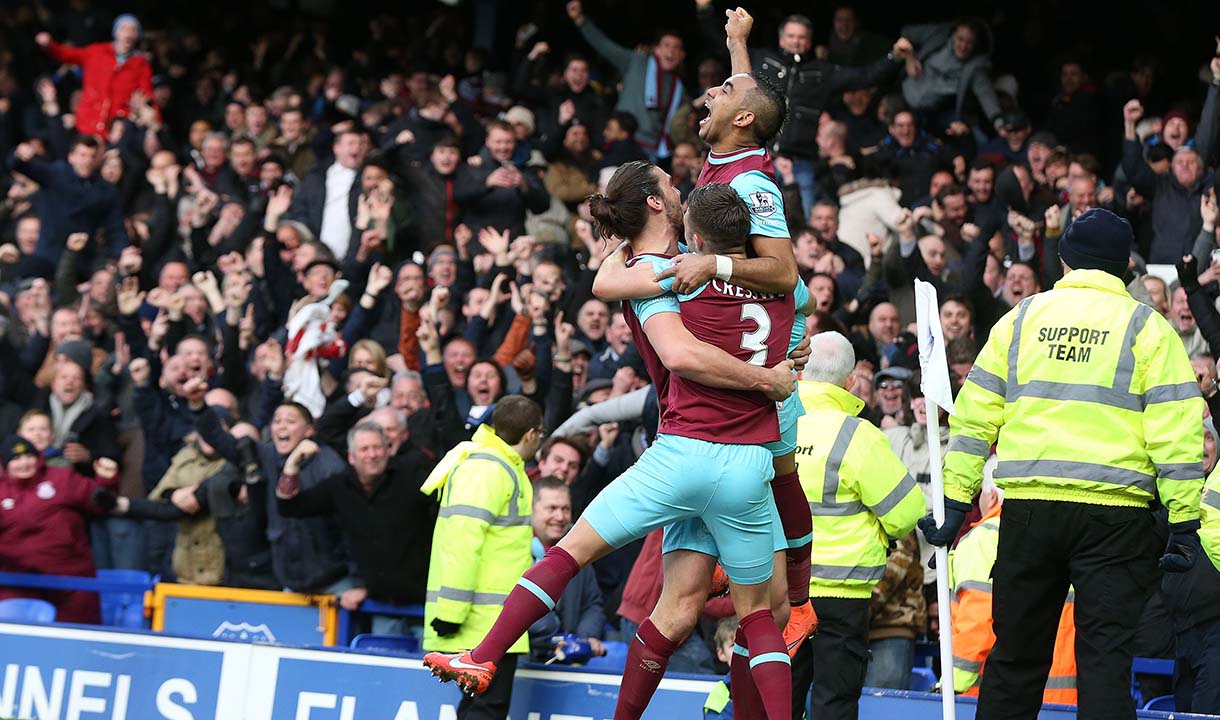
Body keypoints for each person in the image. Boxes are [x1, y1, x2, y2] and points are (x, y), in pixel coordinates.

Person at [424, 163, 798, 720]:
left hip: (683, 449)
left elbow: (651, 324)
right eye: (670, 185)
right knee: (759, 615)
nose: (680, 189)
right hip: (749, 461)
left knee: (569, 552)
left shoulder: (667, 275)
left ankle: (484, 655)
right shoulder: (766, 277)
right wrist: (776, 369)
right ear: (653, 204)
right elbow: (794, 291)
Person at [921, 208, 1209, 720]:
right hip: (1116, 518)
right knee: (1104, 664)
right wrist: (1184, 522)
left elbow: (972, 421)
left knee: (1014, 659)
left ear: (1063, 260)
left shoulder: (1021, 319)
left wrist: (956, 500)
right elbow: (1177, 433)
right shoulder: (1149, 328)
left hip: (1030, 510)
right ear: (1125, 269)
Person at [790, 330, 925, 720]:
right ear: (850, 382)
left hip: (781, 589)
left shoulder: (774, 425)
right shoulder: (858, 436)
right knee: (835, 704)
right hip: (843, 596)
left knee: (778, 702)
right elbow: (906, 513)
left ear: (800, 372)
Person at [695, 5, 913, 219]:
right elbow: (724, 46)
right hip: (760, 154)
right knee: (739, 212)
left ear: (809, 41)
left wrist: (894, 57)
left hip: (802, 161)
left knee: (806, 218)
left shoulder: (820, 72)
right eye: (791, 36)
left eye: (801, 37)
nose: (796, 41)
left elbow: (864, 76)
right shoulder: (763, 60)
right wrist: (704, 10)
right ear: (781, 38)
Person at [421, 396, 544, 720]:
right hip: (480, 622)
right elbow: (462, 541)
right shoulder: (489, 468)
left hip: (489, 621)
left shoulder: (493, 464)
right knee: (486, 710)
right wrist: (451, 612)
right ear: (531, 434)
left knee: (481, 708)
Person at [275, 418, 439, 626]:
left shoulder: (412, 477)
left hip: (425, 601)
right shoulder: (339, 487)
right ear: (351, 457)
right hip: (380, 605)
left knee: (429, 659)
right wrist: (292, 464)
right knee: (382, 657)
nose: (372, 455)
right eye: (364, 449)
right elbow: (290, 507)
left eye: (377, 448)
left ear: (388, 451)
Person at [950, 475, 1077, 705]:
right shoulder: (1063, 536)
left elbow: (977, 622)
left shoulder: (984, 540)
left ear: (992, 496)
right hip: (1067, 698)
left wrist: (951, 687)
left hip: (993, 699)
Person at [0, 435, 121, 623]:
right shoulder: (2, 491)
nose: (24, 463)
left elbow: (100, 501)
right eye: (15, 459)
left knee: (76, 643)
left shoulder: (61, 478)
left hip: (71, 580)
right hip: (17, 583)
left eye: (29, 456)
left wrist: (106, 481)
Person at [566, 1, 688, 160]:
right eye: (666, 45)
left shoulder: (680, 89)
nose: (671, 51)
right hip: (620, 143)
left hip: (652, 153)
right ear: (656, 49)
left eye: (676, 47)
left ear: (681, 55)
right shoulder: (637, 62)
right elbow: (605, 46)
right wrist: (581, 21)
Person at [34, 14, 155, 138]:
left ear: (137, 36)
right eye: (124, 29)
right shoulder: (96, 52)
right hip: (88, 122)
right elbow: (67, 55)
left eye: (133, 30)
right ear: (115, 32)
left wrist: (155, 123)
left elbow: (147, 96)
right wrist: (50, 45)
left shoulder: (141, 64)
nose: (128, 34)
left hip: (117, 128)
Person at [526, 477, 606, 663]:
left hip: (565, 663)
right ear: (532, 509)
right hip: (522, 660)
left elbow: (593, 604)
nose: (560, 517)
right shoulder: (514, 552)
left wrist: (586, 636)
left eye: (565, 509)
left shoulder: (581, 552)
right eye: (552, 508)